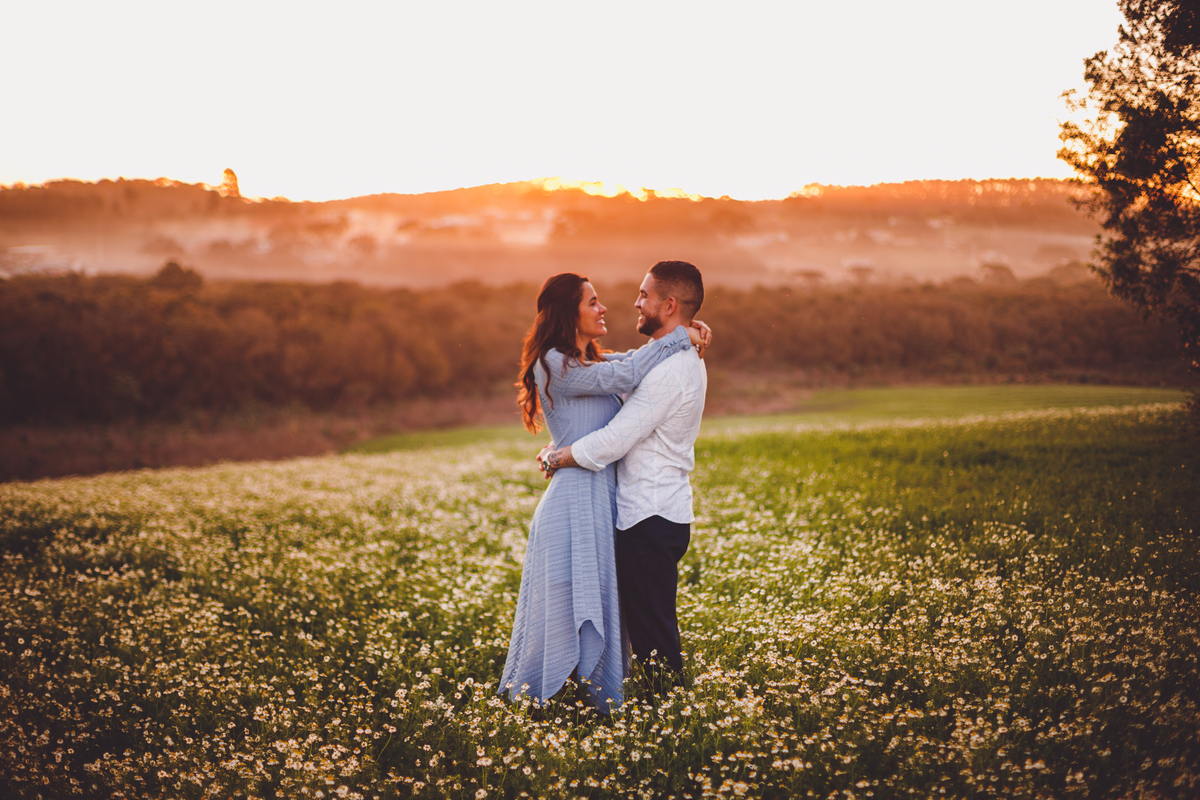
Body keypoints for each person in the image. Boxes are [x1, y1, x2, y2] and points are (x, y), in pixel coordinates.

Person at [498, 272, 710, 713]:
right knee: (562, 615)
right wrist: (682, 335)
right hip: (573, 501)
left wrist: (687, 334)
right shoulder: (555, 364)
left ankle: (594, 707)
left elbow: (629, 365)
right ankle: (544, 707)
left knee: (603, 608)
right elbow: (633, 369)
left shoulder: (590, 364)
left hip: (603, 500)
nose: (605, 308)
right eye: (592, 302)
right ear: (567, 313)